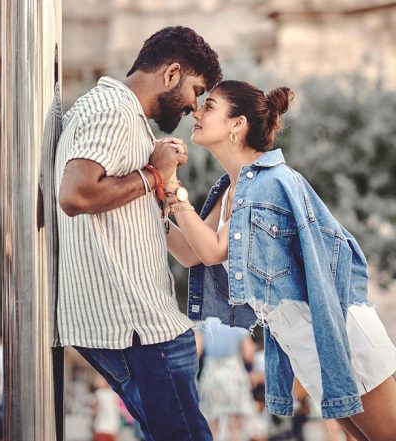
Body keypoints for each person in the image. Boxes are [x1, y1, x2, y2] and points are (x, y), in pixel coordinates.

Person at [164, 79, 396, 441]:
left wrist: (171, 186)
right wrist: (153, 201)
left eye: (209, 107)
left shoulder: (265, 184)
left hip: (337, 333)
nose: (196, 111)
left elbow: (211, 250)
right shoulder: (231, 188)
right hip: (306, 342)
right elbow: (192, 254)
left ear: (236, 124)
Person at [55, 26, 221, 440]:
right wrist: (152, 173)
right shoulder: (114, 110)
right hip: (141, 329)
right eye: (196, 90)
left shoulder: (116, 112)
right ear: (171, 74)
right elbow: (75, 195)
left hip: (139, 327)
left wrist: (163, 189)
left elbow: (173, 244)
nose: (193, 106)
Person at [196, 319, 257, 441]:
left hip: (212, 373)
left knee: (212, 421)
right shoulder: (237, 317)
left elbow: (196, 350)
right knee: (235, 422)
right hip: (233, 373)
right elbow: (248, 353)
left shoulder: (204, 319)